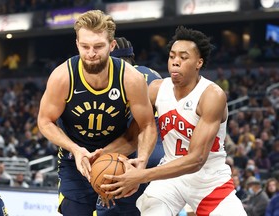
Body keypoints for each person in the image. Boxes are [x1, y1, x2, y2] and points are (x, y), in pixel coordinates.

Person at [102, 26, 247, 215]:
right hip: (169, 178)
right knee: (151, 210)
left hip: (208, 179)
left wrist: (141, 176)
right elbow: (132, 138)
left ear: (199, 63)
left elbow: (196, 160)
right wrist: (99, 155)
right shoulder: (156, 89)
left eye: (183, 57)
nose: (175, 62)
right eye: (172, 57)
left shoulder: (212, 95)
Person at [37, 10, 157, 216]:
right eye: (85, 46)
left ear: (111, 46)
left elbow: (146, 126)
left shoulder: (131, 78)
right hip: (76, 158)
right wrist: (74, 150)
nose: (91, 53)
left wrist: (142, 162)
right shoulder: (62, 76)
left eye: (99, 46)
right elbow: (45, 121)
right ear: (77, 44)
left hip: (120, 157)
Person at [95, 37, 165, 216]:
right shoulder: (154, 75)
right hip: (162, 154)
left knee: (109, 208)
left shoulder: (113, 77)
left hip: (131, 153)